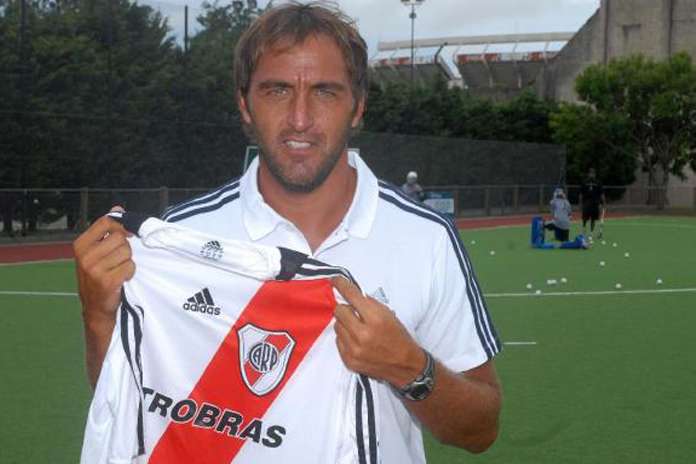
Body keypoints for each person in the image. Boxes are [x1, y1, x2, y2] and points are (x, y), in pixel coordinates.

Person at [73, 3, 502, 461]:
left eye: (324, 92)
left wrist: (411, 368)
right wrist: (98, 318)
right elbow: (128, 407)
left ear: (358, 106)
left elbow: (480, 430)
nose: (300, 118)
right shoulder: (181, 239)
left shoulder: (427, 237)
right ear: (245, 104)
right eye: (277, 90)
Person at [579, 168, 605, 240]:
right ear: (588, 174)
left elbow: (602, 194)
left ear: (595, 174)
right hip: (586, 203)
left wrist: (603, 203)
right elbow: (581, 194)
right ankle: (584, 231)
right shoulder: (584, 182)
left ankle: (591, 233)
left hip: (595, 203)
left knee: (593, 219)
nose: (591, 175)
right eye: (590, 173)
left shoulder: (598, 182)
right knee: (584, 218)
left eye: (593, 173)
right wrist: (580, 203)